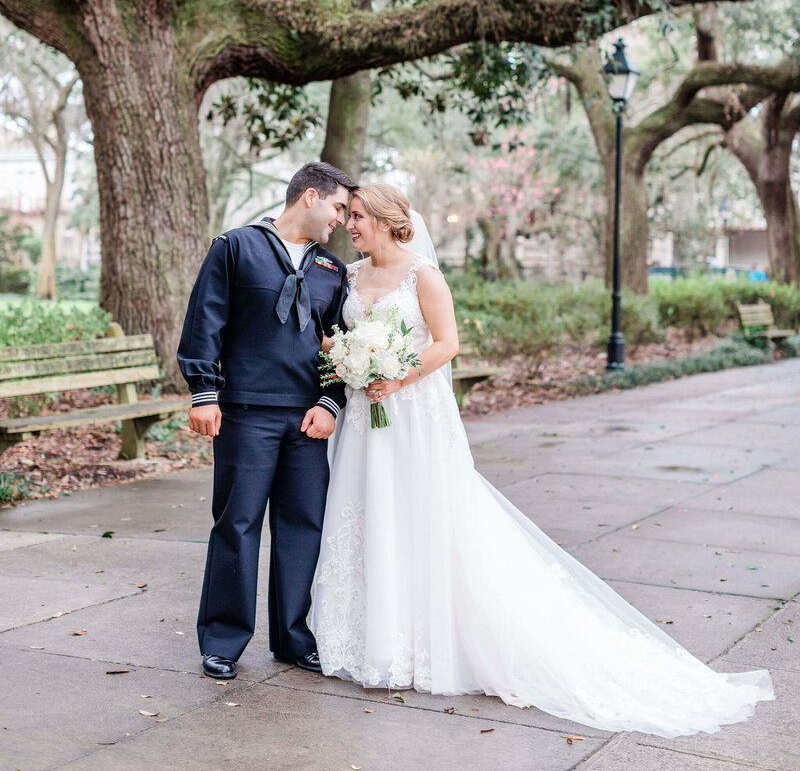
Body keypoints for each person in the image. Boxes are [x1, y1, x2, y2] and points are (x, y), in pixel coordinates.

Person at [310, 184, 775, 737]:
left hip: (412, 411)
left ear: (387, 221)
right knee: (368, 513)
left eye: (358, 216)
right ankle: (372, 639)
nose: (350, 224)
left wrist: (397, 373)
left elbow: (447, 343)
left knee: (423, 516)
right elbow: (339, 335)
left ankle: (421, 644)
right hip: (366, 417)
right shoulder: (351, 276)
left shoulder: (423, 276)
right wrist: (347, 359)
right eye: (350, 216)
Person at [178, 161, 356, 680]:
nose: (342, 220)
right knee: (237, 525)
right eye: (339, 208)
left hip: (305, 422)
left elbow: (338, 348)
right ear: (310, 197)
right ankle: (222, 641)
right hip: (245, 413)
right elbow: (204, 321)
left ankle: (293, 638)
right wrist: (203, 393)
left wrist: (329, 404)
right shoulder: (234, 247)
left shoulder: (331, 271)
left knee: (303, 527)